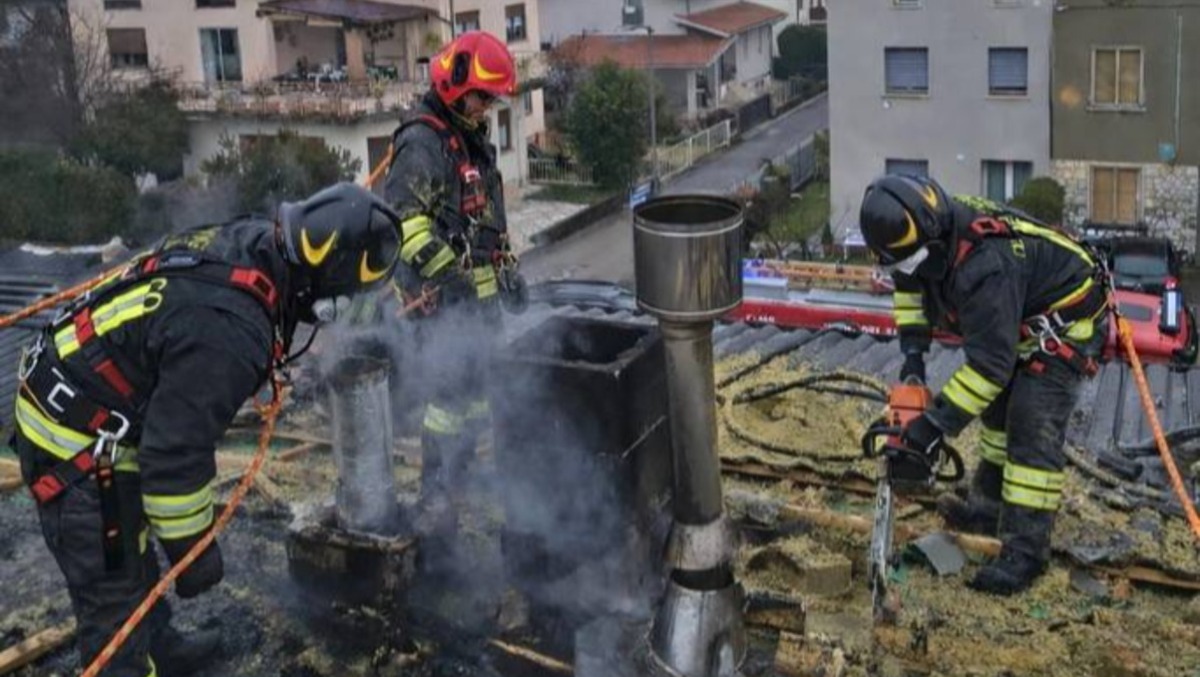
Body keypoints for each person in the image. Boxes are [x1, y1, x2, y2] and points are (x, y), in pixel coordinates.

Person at [12, 183, 401, 676]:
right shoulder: (232, 332)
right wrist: (193, 552)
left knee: (132, 561)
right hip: (75, 447)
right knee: (113, 604)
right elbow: (174, 455)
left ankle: (164, 645)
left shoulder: (254, 241)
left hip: (92, 398)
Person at [860, 174, 1108, 595]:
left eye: (912, 261)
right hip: (1015, 318)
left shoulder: (985, 265)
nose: (909, 270)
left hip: (1063, 325)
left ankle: (1025, 552)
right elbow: (909, 289)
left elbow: (991, 367)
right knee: (995, 418)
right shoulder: (918, 239)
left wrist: (931, 427)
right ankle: (988, 512)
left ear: (934, 241)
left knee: (1031, 427)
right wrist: (914, 360)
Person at [381, 31, 520, 545]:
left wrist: (508, 271)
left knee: (480, 396)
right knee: (447, 402)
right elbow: (404, 226)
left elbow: (485, 218)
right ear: (454, 80)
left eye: (491, 100)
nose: (487, 108)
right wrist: (452, 280)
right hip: (442, 307)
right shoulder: (423, 143)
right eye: (482, 96)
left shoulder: (468, 139)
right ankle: (436, 500)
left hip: (477, 305)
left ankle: (460, 482)